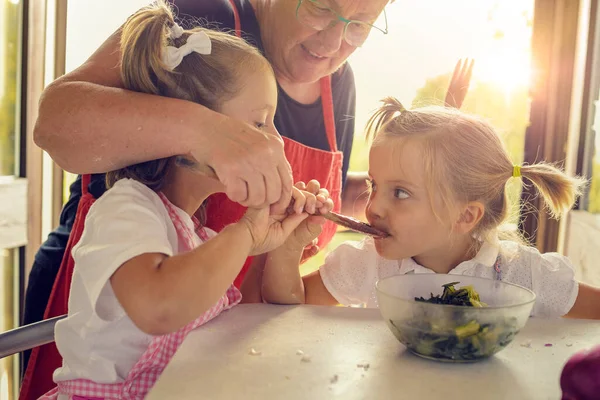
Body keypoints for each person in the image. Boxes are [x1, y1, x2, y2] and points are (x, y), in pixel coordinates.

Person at [24, 0, 392, 336]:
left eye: (360, 25)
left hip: (216, 342)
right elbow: (53, 124)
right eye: (320, 7)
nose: (332, 44)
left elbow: (330, 187)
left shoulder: (341, 84)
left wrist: (405, 194)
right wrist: (204, 131)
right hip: (99, 327)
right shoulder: (198, 27)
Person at [38, 3, 333, 398]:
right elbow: (160, 307)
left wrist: (282, 243)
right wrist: (244, 233)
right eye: (260, 122)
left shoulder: (197, 232)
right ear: (189, 126)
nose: (275, 141)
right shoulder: (127, 208)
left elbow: (240, 320)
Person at [260, 97, 600, 320]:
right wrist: (289, 247)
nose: (374, 205)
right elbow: (290, 305)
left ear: (466, 216)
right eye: (374, 185)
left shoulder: (521, 275)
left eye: (401, 193)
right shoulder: (369, 265)